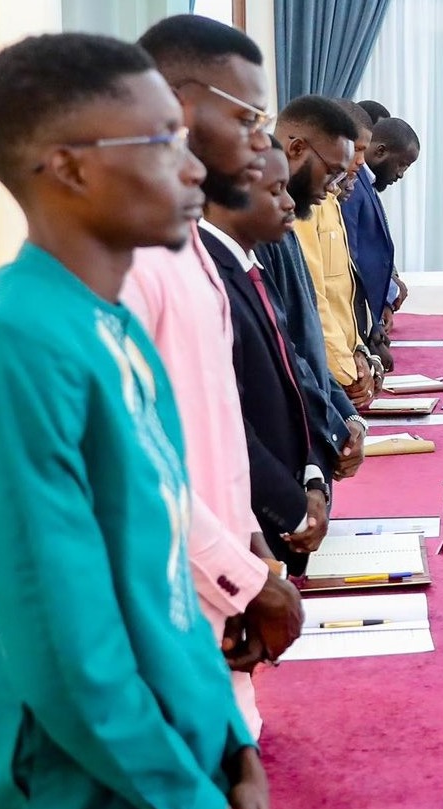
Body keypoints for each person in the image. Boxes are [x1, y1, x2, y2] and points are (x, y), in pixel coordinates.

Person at [0, 32, 267, 809]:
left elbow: (158, 593)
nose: (196, 163)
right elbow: (70, 658)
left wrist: (234, 751)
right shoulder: (13, 348)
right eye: (161, 140)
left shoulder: (108, 329)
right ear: (68, 166)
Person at [122, 14, 302, 739]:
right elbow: (130, 458)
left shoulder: (189, 242)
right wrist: (238, 577)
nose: (265, 140)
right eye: (250, 117)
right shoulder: (129, 256)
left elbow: (212, 426)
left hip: (215, 612)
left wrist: (252, 541)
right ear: (180, 105)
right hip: (166, 626)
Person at [203, 147, 330, 576]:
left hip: (285, 511)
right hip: (254, 519)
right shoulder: (209, 279)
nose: (290, 202)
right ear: (227, 196)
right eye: (275, 191)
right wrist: (292, 509)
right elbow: (227, 422)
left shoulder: (251, 266)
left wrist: (313, 474)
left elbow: (294, 372)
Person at [257, 95, 366, 490]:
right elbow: (285, 352)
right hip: (288, 456)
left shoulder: (285, 223)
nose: (334, 188)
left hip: (314, 440)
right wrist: (334, 426)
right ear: (297, 148)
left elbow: (308, 340)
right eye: (331, 173)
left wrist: (346, 417)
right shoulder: (259, 235)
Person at [294, 99, 376, 408]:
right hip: (326, 375)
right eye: (356, 149)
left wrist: (360, 354)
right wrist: (346, 372)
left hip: (344, 365)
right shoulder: (306, 206)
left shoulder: (329, 198)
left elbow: (343, 292)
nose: (359, 162)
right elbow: (315, 296)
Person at [344, 114, 420, 367]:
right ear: (380, 151)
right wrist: (368, 328)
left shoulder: (368, 184)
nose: (400, 174)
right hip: (355, 325)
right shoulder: (353, 187)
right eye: (402, 165)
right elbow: (351, 263)